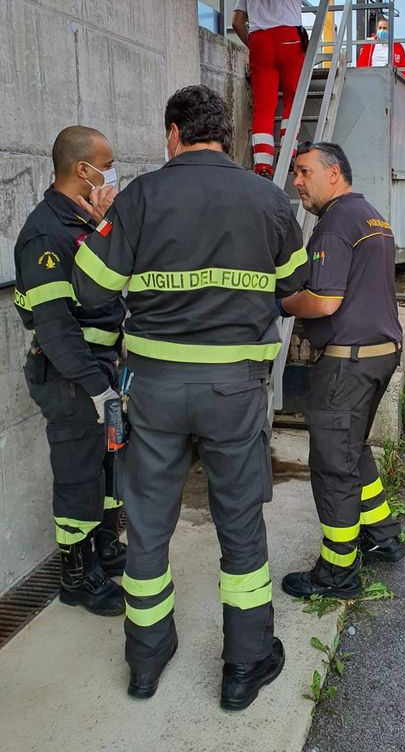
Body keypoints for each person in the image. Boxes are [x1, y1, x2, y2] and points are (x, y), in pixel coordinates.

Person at [72, 85, 308, 709]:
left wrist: (106, 228)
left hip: (153, 388)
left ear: (173, 134)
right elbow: (293, 284)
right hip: (234, 388)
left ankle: (145, 664)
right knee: (240, 526)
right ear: (225, 135)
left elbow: (91, 289)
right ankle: (245, 667)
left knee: (147, 526)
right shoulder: (268, 198)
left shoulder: (141, 197)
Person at [277, 141, 405, 600]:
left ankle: (337, 572)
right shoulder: (372, 215)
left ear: (334, 173)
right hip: (380, 355)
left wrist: (281, 302)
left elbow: (324, 300)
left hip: (346, 364)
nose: (297, 182)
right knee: (352, 447)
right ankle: (382, 534)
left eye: (303, 171)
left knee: (332, 464)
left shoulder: (333, 225)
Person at [13, 126, 127, 617]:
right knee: (77, 472)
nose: (112, 171)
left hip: (96, 368)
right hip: (69, 374)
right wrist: (98, 389)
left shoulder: (84, 222)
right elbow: (56, 329)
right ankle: (76, 575)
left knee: (103, 464)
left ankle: (103, 549)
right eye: (107, 162)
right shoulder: (46, 232)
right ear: (84, 170)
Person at [232, 0, 342, 179]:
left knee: (264, 106)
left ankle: (263, 165)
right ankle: (289, 153)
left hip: (260, 42)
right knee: (293, 97)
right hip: (289, 41)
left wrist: (252, 44)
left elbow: (237, 22)